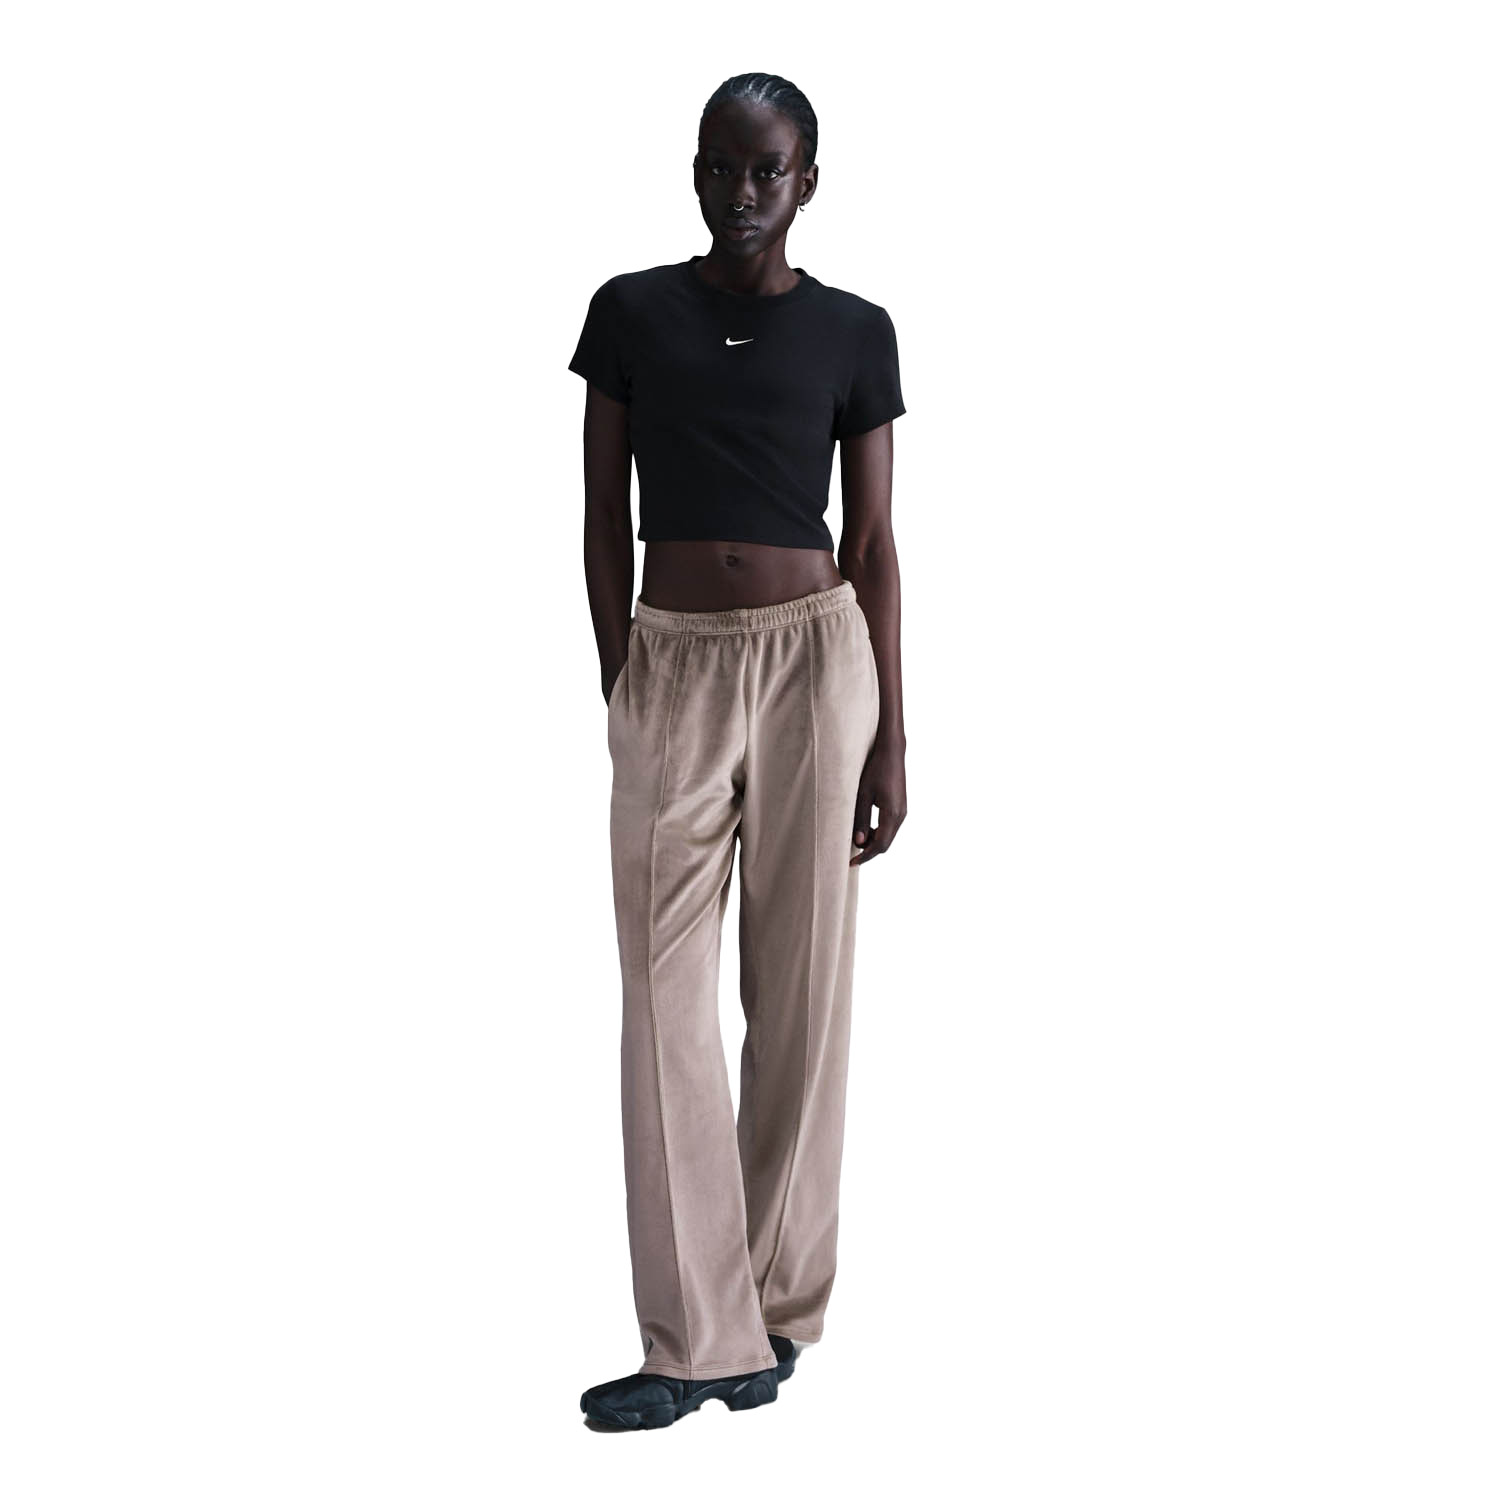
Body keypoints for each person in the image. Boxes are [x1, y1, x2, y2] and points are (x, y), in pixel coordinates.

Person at [568, 72, 908, 1431]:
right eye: (722, 165)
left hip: (819, 665)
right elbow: (602, 514)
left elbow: (874, 541)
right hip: (674, 666)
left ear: (807, 181)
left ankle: (771, 1311)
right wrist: (624, 674)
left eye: (769, 169)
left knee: (801, 994)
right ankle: (690, 1336)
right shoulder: (629, 312)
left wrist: (893, 736)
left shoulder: (856, 332)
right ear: (695, 171)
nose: (744, 190)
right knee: (663, 999)